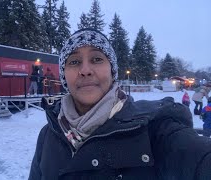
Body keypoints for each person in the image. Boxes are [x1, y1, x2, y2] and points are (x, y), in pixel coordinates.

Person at [29, 29, 211, 179]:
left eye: (97, 59)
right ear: (64, 76)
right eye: (74, 62)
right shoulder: (48, 135)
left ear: (112, 70)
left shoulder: (155, 129)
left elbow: (196, 157)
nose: (85, 70)